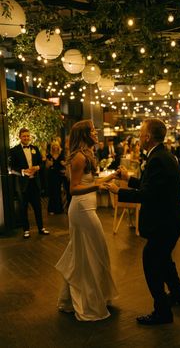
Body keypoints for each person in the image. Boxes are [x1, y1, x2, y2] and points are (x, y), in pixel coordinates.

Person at [106, 118, 180, 325]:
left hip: (164, 223)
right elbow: (153, 185)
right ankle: (178, 295)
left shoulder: (157, 159)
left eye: (141, 133)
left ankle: (162, 312)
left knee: (151, 262)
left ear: (148, 137)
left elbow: (149, 194)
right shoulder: (163, 155)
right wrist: (129, 178)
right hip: (172, 221)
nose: (139, 136)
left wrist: (119, 191)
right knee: (164, 259)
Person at [55, 119, 118, 321]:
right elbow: (74, 189)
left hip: (87, 207)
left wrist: (112, 176)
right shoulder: (79, 158)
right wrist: (96, 188)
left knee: (87, 254)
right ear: (84, 135)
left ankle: (71, 300)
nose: (96, 132)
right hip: (81, 210)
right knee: (91, 253)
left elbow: (91, 181)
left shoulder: (87, 155)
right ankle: (88, 304)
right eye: (92, 130)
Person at [9, 128, 49, 238]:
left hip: (35, 183)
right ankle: (26, 230)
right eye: (24, 136)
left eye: (27, 136)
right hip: (22, 184)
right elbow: (11, 168)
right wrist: (22, 172)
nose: (26, 138)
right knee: (23, 207)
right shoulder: (14, 150)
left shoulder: (35, 148)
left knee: (38, 207)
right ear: (20, 137)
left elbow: (41, 163)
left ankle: (41, 228)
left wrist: (38, 167)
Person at [46, 141, 65, 214]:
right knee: (52, 192)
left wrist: (63, 164)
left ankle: (59, 209)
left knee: (57, 191)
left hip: (58, 175)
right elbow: (47, 167)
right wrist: (49, 164)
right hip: (51, 175)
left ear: (58, 147)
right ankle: (51, 209)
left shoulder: (61, 155)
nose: (55, 147)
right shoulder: (49, 156)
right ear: (52, 147)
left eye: (56, 145)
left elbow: (64, 164)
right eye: (54, 146)